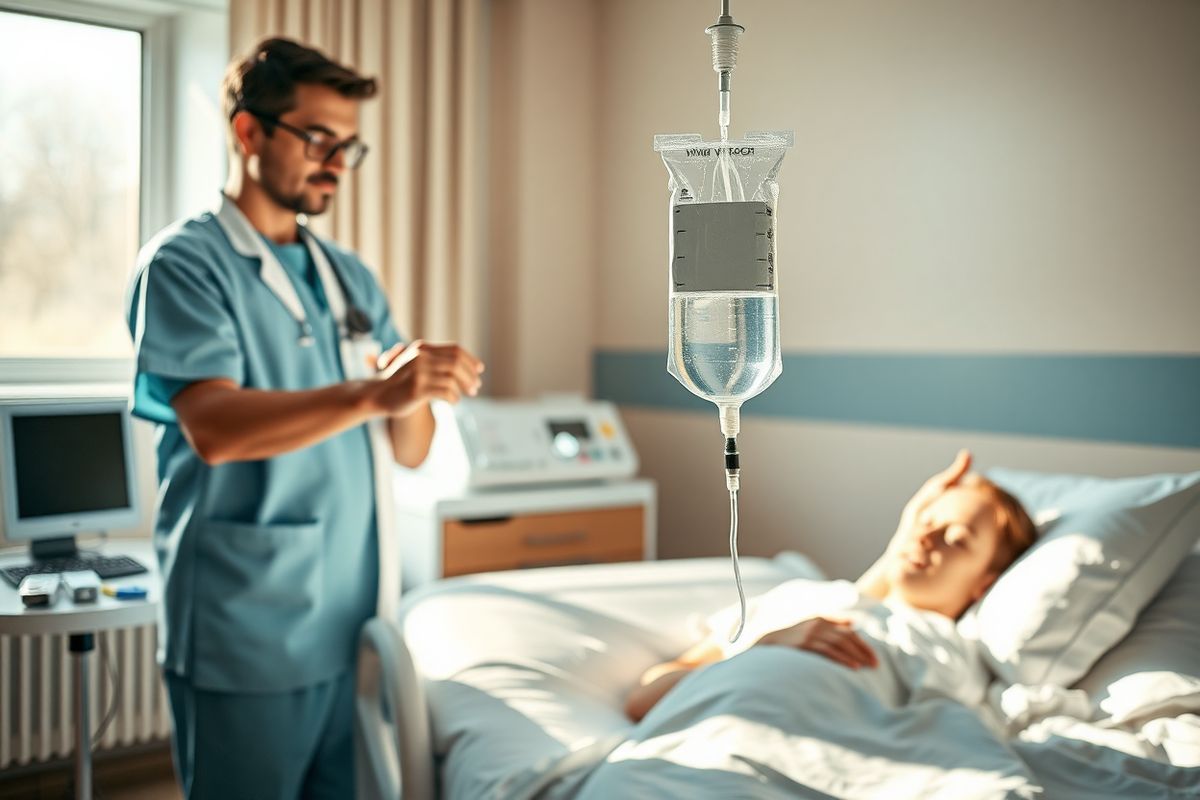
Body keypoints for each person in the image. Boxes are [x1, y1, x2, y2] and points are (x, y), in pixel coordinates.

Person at [125, 38, 484, 799]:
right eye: (317, 137)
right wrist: (373, 394)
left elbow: (407, 449)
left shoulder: (347, 277)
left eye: (348, 146)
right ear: (248, 132)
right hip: (245, 626)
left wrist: (418, 388)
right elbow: (215, 428)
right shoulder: (185, 265)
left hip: (350, 621)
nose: (335, 162)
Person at [625, 450, 1036, 722]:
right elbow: (645, 699)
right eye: (927, 523)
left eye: (957, 539)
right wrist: (765, 647)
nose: (926, 538)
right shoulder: (801, 597)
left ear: (986, 583)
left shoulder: (953, 653)